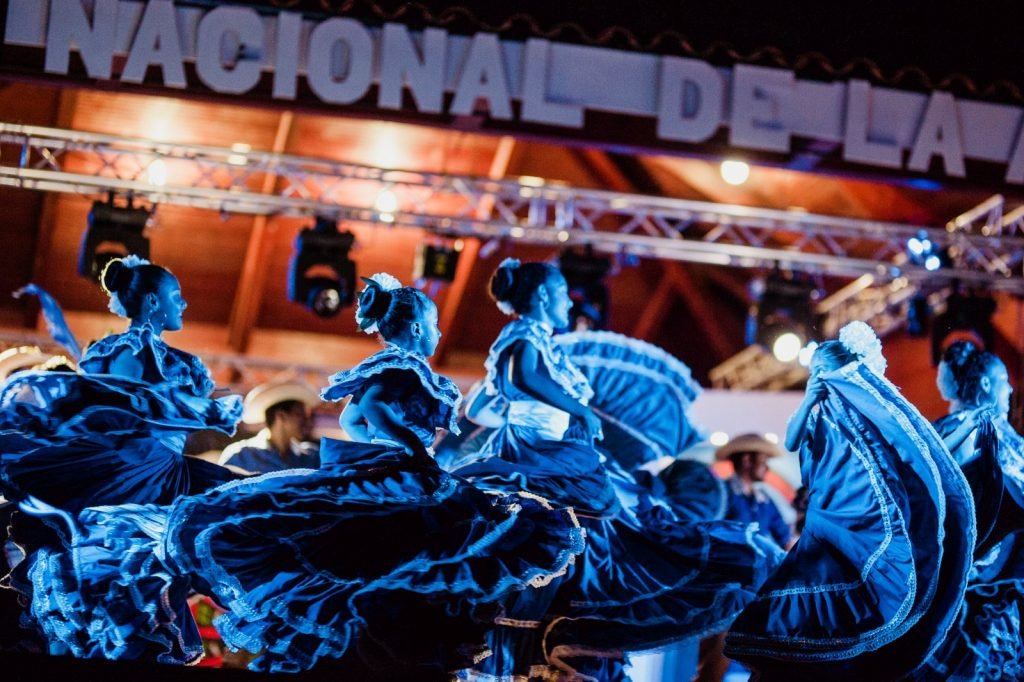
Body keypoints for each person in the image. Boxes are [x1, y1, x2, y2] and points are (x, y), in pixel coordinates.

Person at [26, 273, 583, 677]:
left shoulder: (407, 369)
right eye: (434, 324)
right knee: (429, 540)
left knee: (411, 551)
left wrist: (401, 447)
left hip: (399, 469)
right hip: (389, 470)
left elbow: (357, 417)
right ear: (416, 326)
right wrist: (409, 445)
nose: (438, 334)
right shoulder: (400, 368)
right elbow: (366, 414)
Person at [455, 259, 783, 681]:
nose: (568, 303)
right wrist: (571, 412)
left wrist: (522, 414)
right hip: (540, 451)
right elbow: (522, 378)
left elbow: (482, 407)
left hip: (548, 447)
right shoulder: (523, 335)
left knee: (613, 520)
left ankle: (569, 626)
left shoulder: (534, 342)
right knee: (609, 525)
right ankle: (559, 625)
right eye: (562, 294)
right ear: (542, 296)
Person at [724, 321, 975, 681]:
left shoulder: (856, 417)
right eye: (815, 371)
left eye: (822, 370)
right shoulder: (817, 410)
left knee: (830, 591)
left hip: (844, 514)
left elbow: (897, 449)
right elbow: (792, 441)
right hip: (820, 516)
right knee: (796, 598)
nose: (818, 376)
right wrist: (810, 397)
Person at [0, 256, 242, 513]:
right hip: (142, 468)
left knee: (243, 497)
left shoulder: (164, 356)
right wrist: (188, 411)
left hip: (164, 466)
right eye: (175, 296)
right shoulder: (131, 348)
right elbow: (122, 406)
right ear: (153, 302)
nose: (183, 303)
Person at [919, 342, 1024, 681]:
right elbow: (962, 500)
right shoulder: (970, 428)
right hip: (983, 574)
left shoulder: (984, 429)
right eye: (1003, 380)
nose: (1010, 390)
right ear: (986, 384)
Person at [218, 378, 320, 473]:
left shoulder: (312, 456)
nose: (307, 422)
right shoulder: (240, 455)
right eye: (300, 415)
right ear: (281, 416)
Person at [715, 434, 792, 549]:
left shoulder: (764, 499)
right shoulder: (720, 493)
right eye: (763, 461)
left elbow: (784, 537)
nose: (767, 467)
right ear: (746, 460)